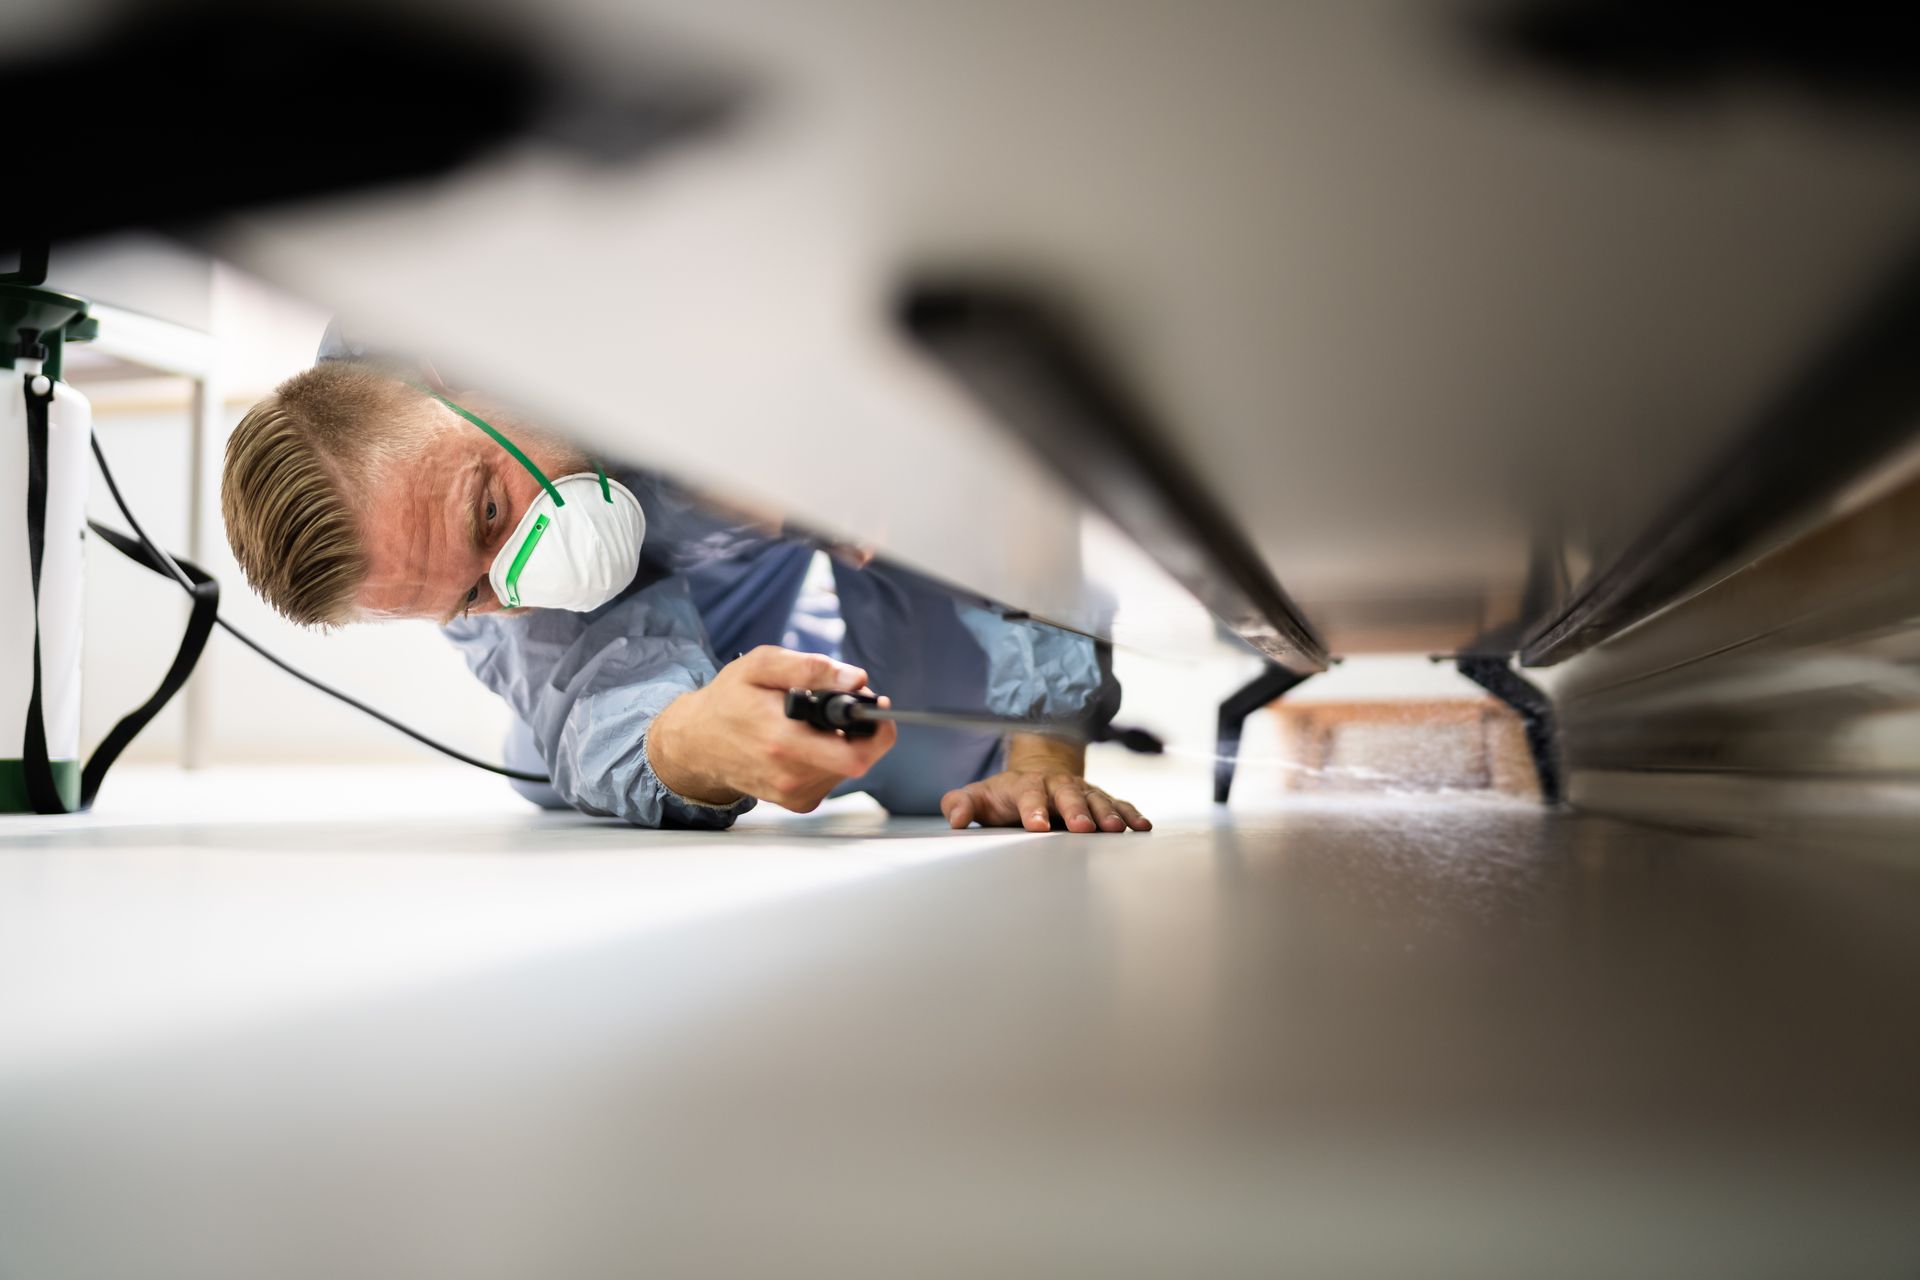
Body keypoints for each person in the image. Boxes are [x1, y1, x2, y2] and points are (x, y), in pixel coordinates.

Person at [217, 331, 1151, 834]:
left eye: (491, 514)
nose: (535, 579)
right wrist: (690, 743)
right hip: (672, 580)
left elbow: (1015, 422)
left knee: (952, 759)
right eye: (469, 599)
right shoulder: (446, 530)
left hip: (841, 467)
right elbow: (612, 711)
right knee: (584, 759)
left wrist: (1044, 751)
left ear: (456, 368)